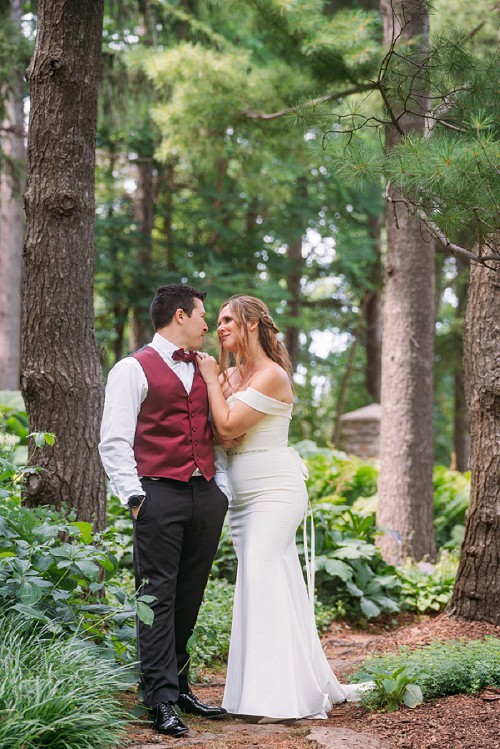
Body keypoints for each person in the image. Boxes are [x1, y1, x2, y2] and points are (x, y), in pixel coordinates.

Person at [197, 294, 372, 721]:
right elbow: (223, 436)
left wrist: (208, 379)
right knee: (269, 581)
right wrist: (221, 395)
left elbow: (225, 425)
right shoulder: (233, 376)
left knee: (260, 571)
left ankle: (276, 698)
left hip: (276, 490)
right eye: (216, 320)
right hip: (241, 499)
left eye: (227, 320)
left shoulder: (272, 376)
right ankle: (285, 683)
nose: (219, 328)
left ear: (252, 323)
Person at [99, 284, 230, 738]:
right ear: (179, 316)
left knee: (189, 596)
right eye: (201, 316)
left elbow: (215, 434)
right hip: (157, 495)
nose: (207, 324)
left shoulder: (207, 369)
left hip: (205, 495)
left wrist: (222, 491)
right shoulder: (131, 369)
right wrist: (135, 499)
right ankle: (159, 699)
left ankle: (181, 687)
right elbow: (114, 440)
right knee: (156, 599)